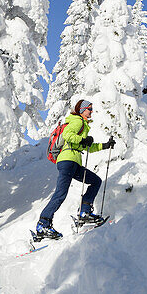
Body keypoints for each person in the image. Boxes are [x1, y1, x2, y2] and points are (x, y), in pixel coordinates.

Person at [35, 99, 115, 238]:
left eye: (91, 108)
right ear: (82, 110)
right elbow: (67, 135)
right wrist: (82, 140)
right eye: (89, 108)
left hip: (73, 163)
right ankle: (43, 224)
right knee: (60, 194)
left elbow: (86, 146)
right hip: (67, 161)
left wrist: (105, 145)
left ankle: (84, 213)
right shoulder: (77, 121)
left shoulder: (82, 124)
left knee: (95, 181)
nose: (91, 111)